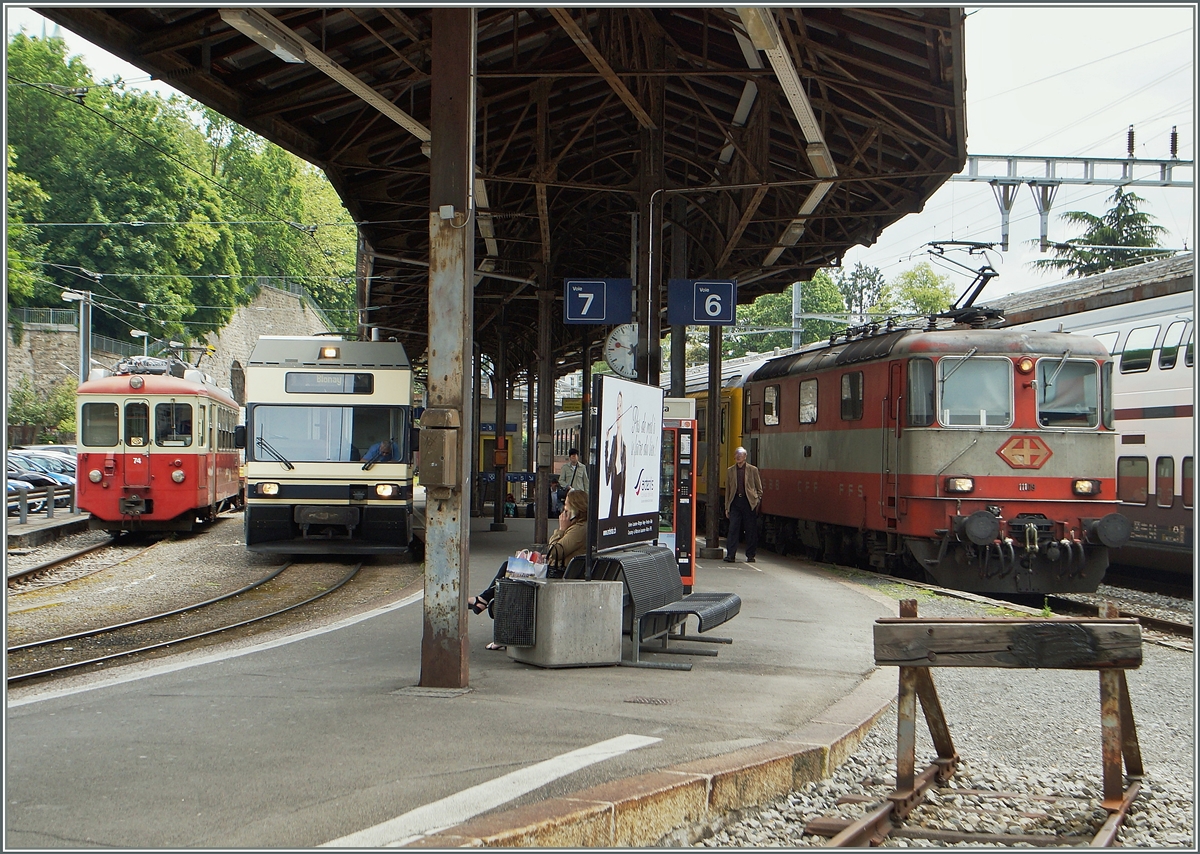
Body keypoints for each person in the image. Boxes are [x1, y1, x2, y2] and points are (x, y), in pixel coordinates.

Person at [468, 488, 590, 648]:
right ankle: (484, 601)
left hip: (558, 575)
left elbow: (555, 551)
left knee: (512, 581)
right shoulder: (579, 527)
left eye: (566, 506)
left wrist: (560, 529)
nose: (563, 510)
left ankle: (491, 613)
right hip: (562, 571)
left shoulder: (579, 529)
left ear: (576, 508)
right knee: (510, 568)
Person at [724, 446, 762, 563]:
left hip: (748, 502)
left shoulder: (753, 470)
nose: (738, 456)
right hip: (735, 502)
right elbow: (728, 490)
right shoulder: (730, 470)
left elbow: (759, 488)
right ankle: (731, 555)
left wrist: (757, 500)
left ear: (745, 457)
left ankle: (751, 555)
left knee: (750, 530)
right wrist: (727, 507)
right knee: (733, 529)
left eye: (741, 455)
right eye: (737, 454)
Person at [602, 392, 627, 519]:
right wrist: (606, 441)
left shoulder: (626, 445)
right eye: (617, 407)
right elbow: (606, 472)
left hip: (622, 509)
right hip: (610, 511)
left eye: (620, 407)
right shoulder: (611, 442)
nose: (618, 411)